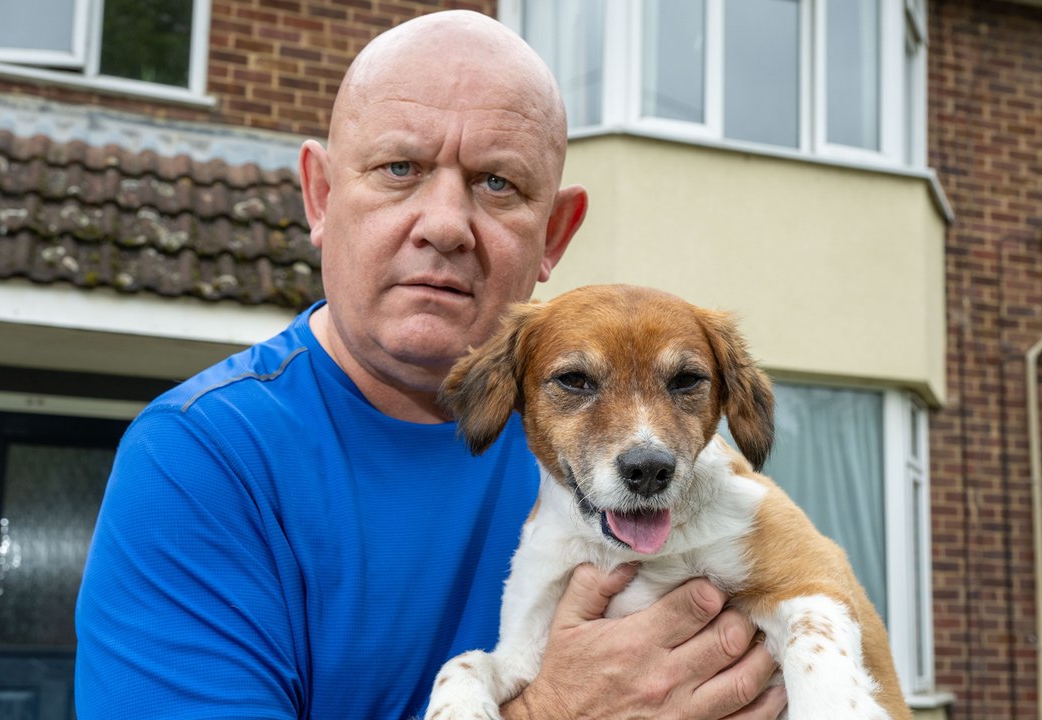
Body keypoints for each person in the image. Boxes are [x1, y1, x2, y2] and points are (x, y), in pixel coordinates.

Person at [75, 10, 787, 719]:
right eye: (399, 169)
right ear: (321, 196)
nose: (445, 224)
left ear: (555, 234)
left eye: (497, 183)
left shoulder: (640, 450)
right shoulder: (202, 460)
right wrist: (547, 714)